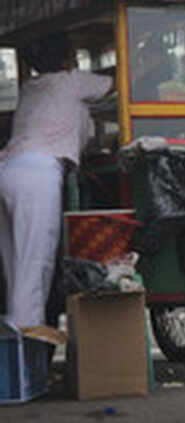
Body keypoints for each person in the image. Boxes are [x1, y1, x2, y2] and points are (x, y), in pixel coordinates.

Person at [0, 34, 112, 329]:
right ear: (67, 60)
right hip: (37, 175)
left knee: (15, 271)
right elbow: (116, 82)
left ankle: (15, 354)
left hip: (8, 169)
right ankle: (28, 360)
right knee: (35, 268)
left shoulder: (31, 87)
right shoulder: (72, 81)